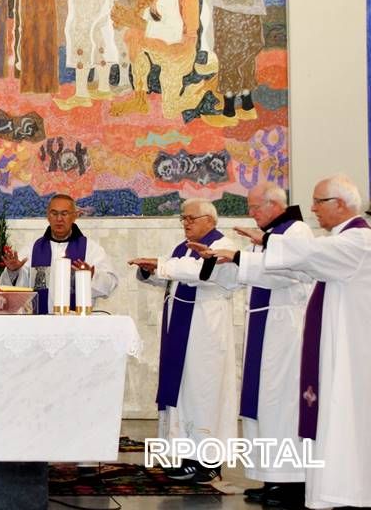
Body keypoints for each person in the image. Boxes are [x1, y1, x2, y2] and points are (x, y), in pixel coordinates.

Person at [211, 175, 371, 509]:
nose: (311, 209)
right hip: (330, 342)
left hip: (345, 348)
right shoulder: (338, 240)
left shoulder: (358, 239)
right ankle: (324, 487)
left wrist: (264, 244)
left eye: (318, 202)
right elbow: (301, 268)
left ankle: (340, 489)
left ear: (340, 204)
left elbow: (307, 257)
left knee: (336, 414)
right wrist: (246, 256)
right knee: (321, 413)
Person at [192, 183, 312, 507]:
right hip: (265, 326)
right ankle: (272, 477)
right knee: (264, 405)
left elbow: (286, 273)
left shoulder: (296, 231)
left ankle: (294, 484)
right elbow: (254, 273)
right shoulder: (268, 235)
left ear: (274, 204)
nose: (251, 213)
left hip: (286, 329)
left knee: (283, 405)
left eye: (255, 207)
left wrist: (239, 258)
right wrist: (226, 262)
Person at [128, 198, 238, 483]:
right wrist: (150, 271)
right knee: (185, 393)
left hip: (206, 330)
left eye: (191, 218)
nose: (186, 223)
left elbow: (202, 273)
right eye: (183, 218)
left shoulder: (223, 247)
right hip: (181, 330)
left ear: (210, 221)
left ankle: (210, 461)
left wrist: (162, 265)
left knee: (205, 394)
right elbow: (172, 279)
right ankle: (189, 458)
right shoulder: (182, 248)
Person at [0, 194, 118, 314]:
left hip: (77, 325)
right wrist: (13, 271)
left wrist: (92, 276)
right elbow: (16, 292)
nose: (59, 219)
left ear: (74, 216)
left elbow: (110, 284)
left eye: (64, 214)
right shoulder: (32, 249)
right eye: (54, 213)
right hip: (40, 325)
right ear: (48, 216)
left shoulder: (91, 249)